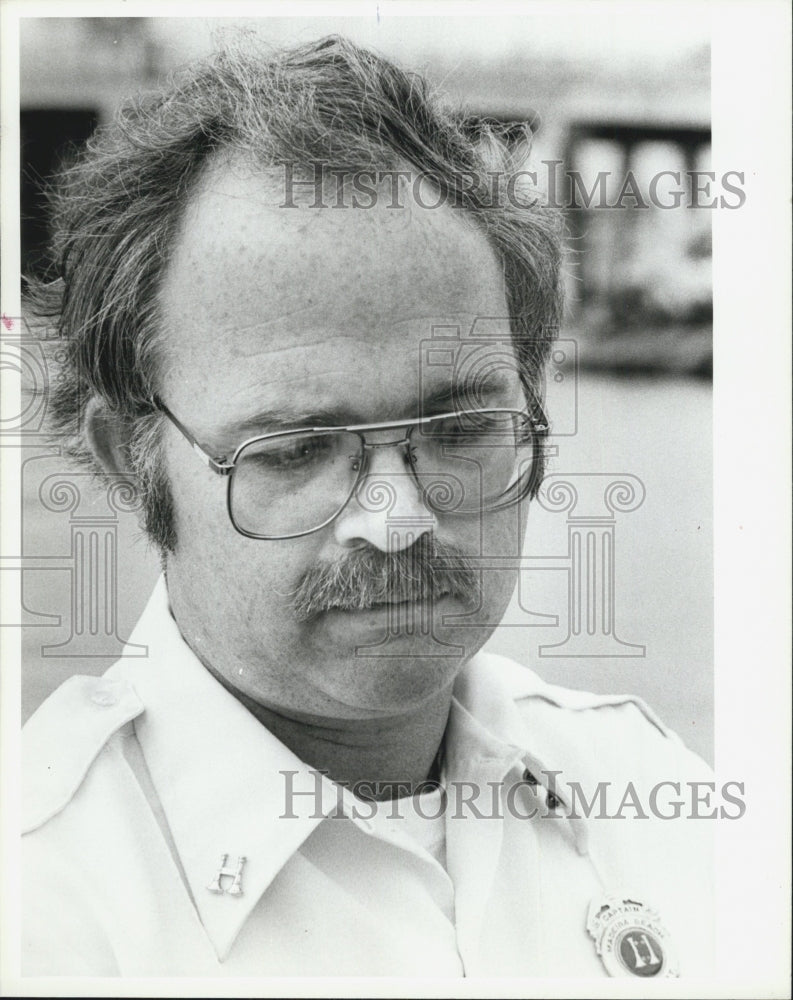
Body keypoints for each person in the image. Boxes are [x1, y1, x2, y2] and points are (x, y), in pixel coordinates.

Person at [22, 36, 713, 978]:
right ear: (129, 458)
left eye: (464, 427)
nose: (396, 520)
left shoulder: (657, 793)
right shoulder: (44, 909)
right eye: (296, 450)